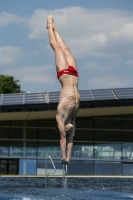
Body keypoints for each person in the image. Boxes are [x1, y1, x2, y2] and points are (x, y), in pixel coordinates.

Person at [46, 16, 80, 165]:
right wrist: (69, 159)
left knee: (57, 47)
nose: (68, 131)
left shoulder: (61, 117)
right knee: (66, 48)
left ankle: (50, 27)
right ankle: (55, 26)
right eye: (69, 131)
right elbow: (71, 141)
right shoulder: (72, 119)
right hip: (75, 75)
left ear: (61, 129)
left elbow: (63, 140)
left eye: (66, 131)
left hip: (65, 75)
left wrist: (63, 157)